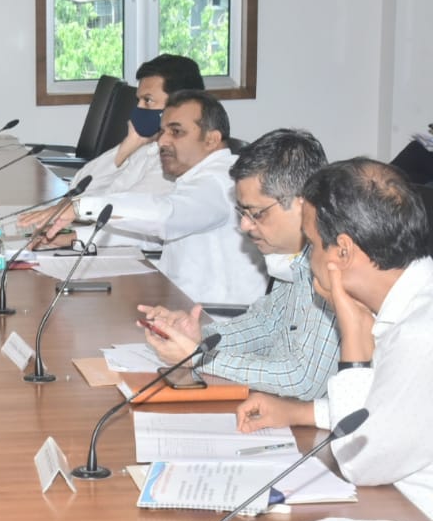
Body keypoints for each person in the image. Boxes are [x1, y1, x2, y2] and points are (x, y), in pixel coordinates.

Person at [236, 159, 433, 520]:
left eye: (311, 244)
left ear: (342, 251)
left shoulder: (419, 335)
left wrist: (354, 341)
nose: (307, 257)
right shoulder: (414, 298)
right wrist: (299, 412)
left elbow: (360, 460)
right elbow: (393, 412)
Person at [137, 129, 339, 400]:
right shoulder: (290, 256)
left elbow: (303, 380)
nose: (244, 226)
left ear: (303, 204)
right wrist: (199, 337)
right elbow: (266, 324)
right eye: (242, 213)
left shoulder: (334, 266)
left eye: (256, 214)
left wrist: (199, 358)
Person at [23, 89, 266, 306]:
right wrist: (75, 237)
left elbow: (166, 217)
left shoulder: (221, 183)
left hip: (211, 319)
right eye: (162, 132)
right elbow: (156, 236)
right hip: (176, 305)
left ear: (211, 139)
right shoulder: (197, 177)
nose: (163, 141)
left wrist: (81, 207)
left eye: (176, 132)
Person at [72, 54, 204, 196]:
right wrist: (128, 146)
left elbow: (126, 205)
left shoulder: (178, 160)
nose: (138, 108)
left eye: (147, 100)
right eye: (138, 100)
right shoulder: (145, 145)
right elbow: (77, 187)